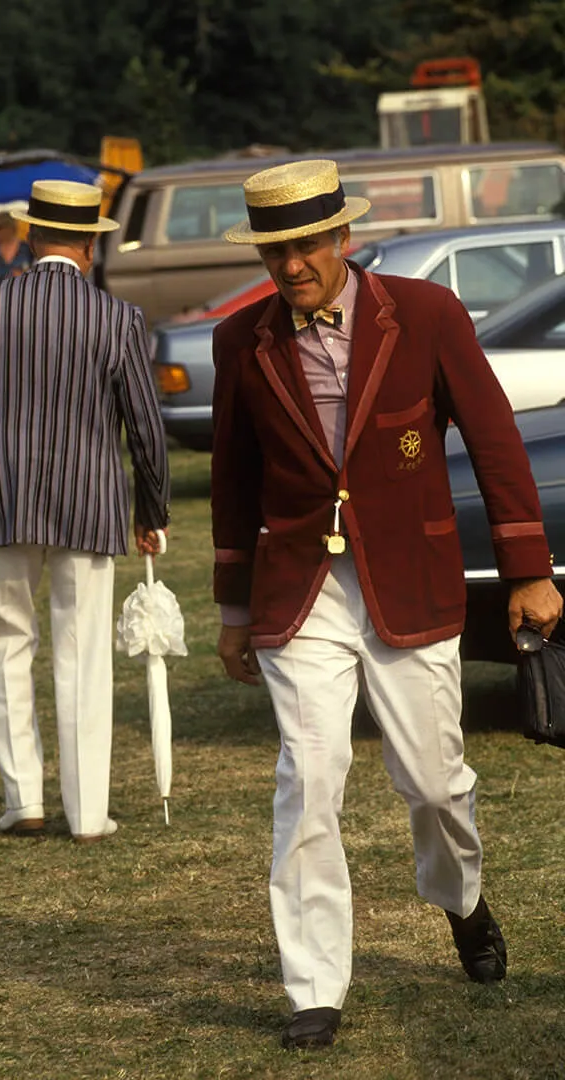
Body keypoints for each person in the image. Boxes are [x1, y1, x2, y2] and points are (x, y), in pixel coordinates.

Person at [209, 158, 562, 1052]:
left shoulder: (428, 315)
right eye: (275, 252)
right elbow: (232, 480)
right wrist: (232, 607)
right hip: (300, 592)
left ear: (342, 239)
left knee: (434, 784)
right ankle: (314, 987)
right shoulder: (242, 341)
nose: (290, 268)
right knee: (309, 782)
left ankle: (464, 901)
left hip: (411, 580)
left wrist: (528, 567)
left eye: (305, 248)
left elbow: (493, 439)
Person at [0, 178, 170, 843]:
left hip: (0, 498)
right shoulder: (117, 318)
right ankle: (88, 812)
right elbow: (145, 430)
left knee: (5, 647)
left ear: (33, 238)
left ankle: (24, 803)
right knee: (82, 652)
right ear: (89, 247)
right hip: (91, 502)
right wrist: (152, 509)